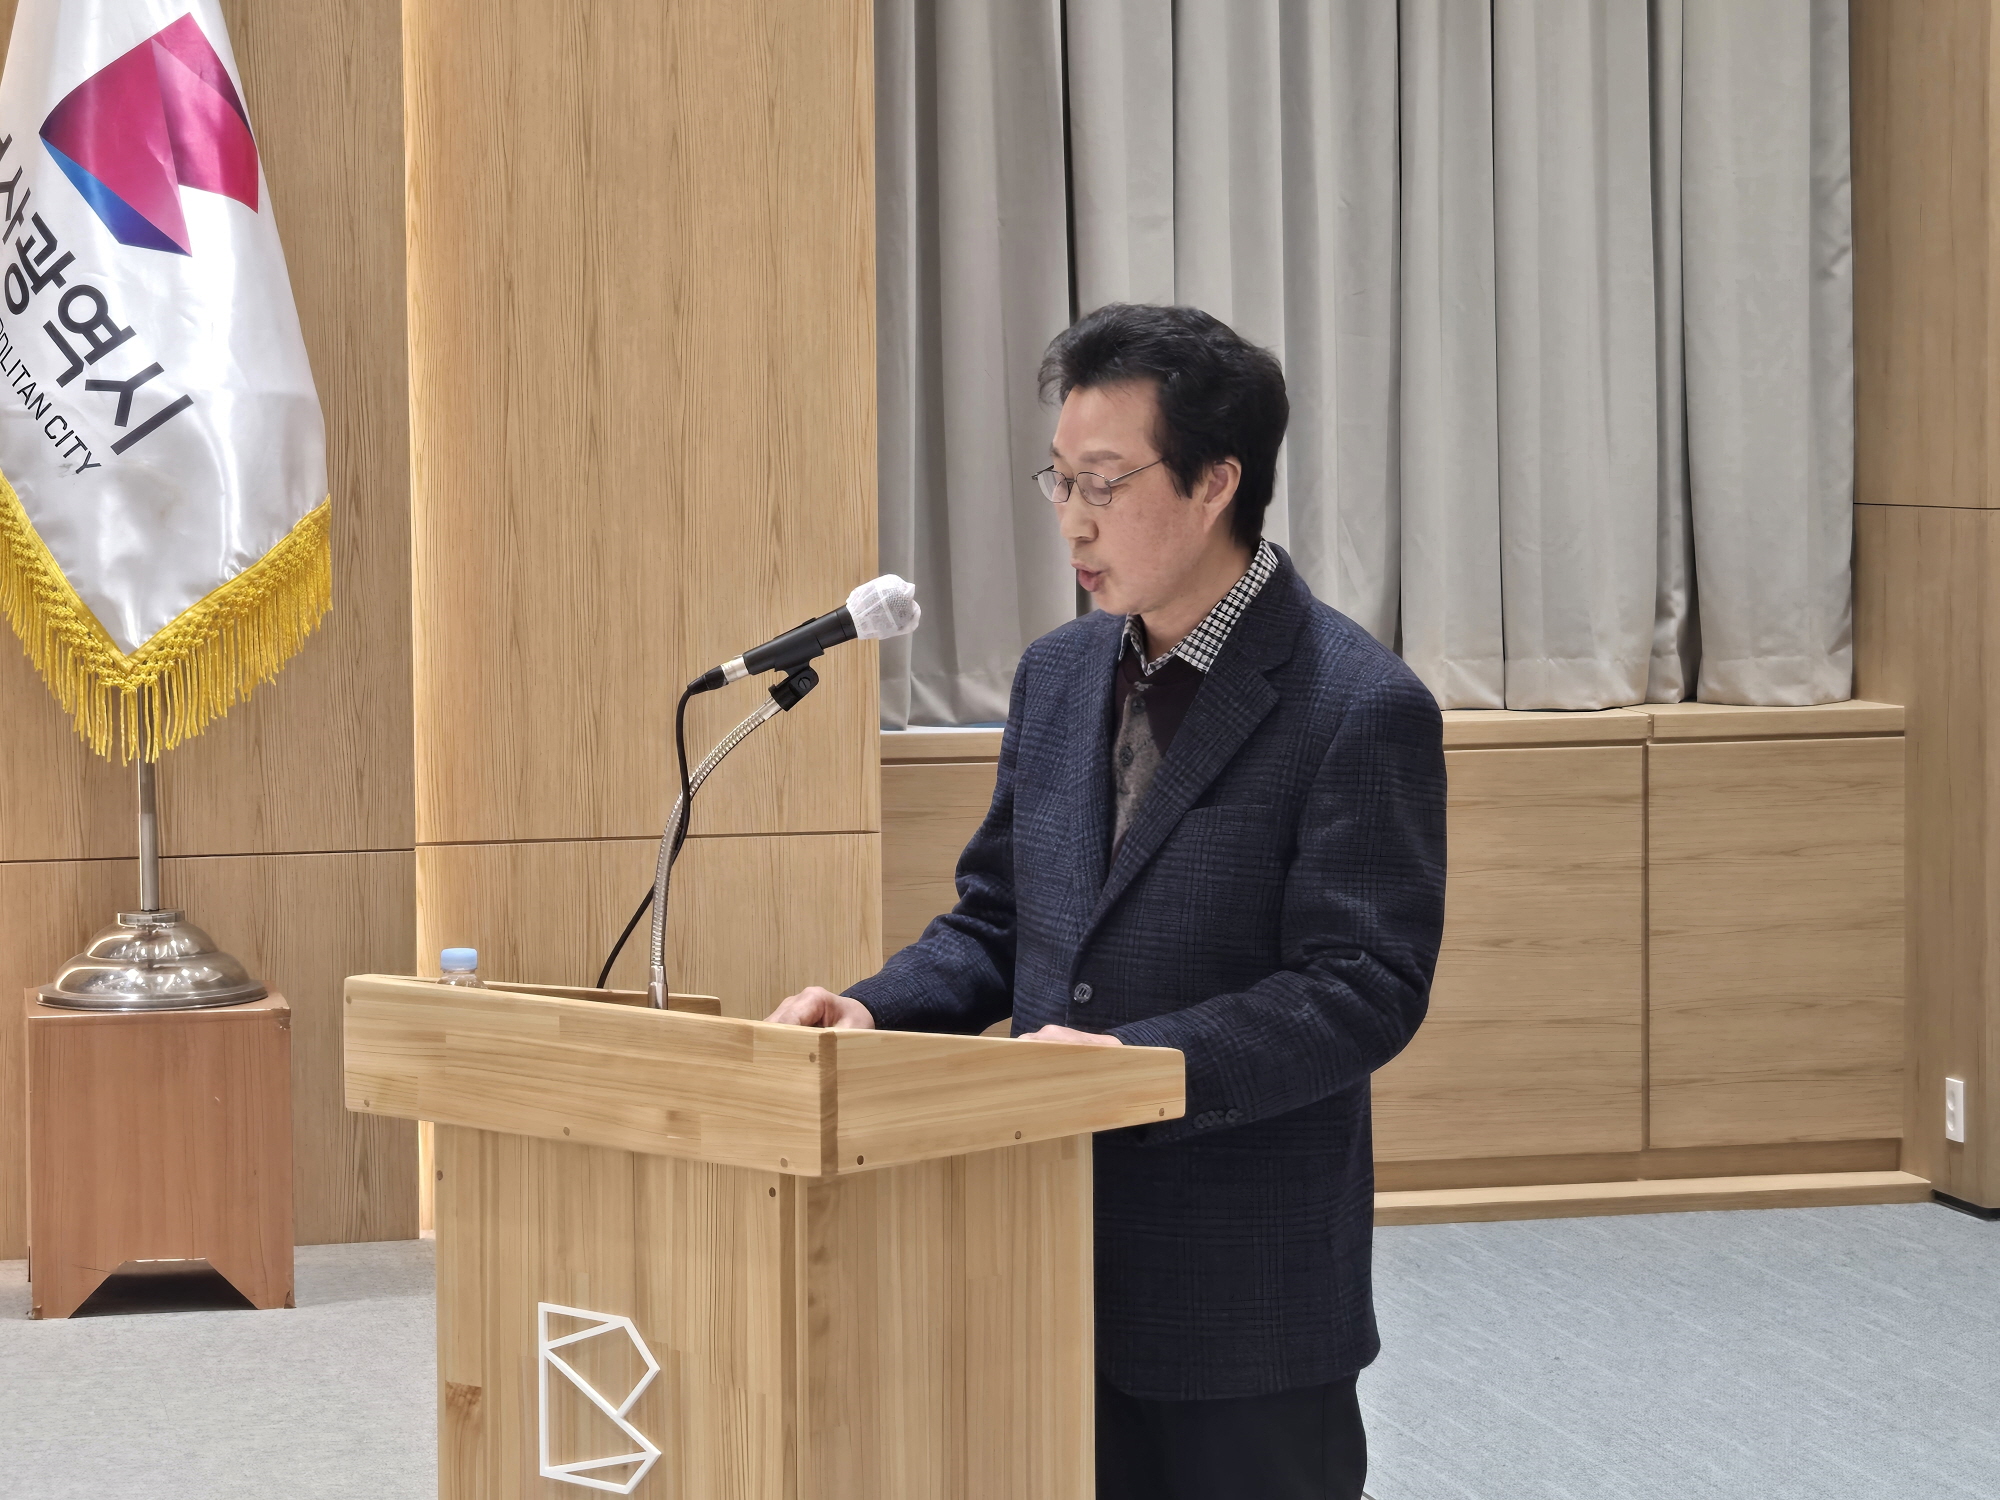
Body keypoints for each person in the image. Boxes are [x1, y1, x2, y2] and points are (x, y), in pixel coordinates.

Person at [766, 303, 1447, 1500]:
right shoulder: (1059, 672)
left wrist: (1135, 1067)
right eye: (1059, 480)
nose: (1072, 521)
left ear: (1214, 483)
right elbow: (999, 918)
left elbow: (1360, 989)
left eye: (1103, 482)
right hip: (1040, 1256)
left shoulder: (1354, 702)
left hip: (1239, 1296)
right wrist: (873, 1013)